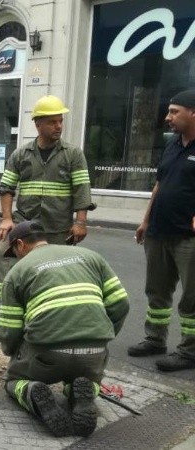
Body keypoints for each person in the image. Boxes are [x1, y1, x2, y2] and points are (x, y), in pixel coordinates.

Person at [0, 95, 96, 328]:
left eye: (60, 121)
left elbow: (81, 189)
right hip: (24, 224)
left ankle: (49, 317)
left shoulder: (72, 154)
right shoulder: (21, 154)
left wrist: (81, 222)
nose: (58, 126)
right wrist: (6, 219)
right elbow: (6, 188)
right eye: (53, 122)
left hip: (57, 227)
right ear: (38, 125)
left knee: (53, 271)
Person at [0, 221, 129, 437]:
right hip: (93, 352)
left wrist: (14, 354)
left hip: (47, 356)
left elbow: (9, 329)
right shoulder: (91, 256)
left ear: (20, 244)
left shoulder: (17, 272)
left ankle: (32, 392)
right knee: (90, 379)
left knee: (13, 381)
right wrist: (101, 335)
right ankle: (81, 391)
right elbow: (121, 303)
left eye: (14, 252)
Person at [129, 89, 195, 372]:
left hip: (187, 236)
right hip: (158, 231)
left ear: (192, 113)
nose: (167, 117)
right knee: (157, 291)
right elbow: (158, 185)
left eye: (174, 112)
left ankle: (189, 351)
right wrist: (146, 220)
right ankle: (155, 339)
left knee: (192, 297)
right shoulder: (171, 146)